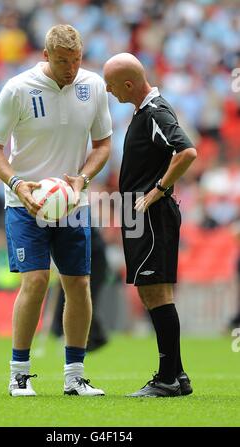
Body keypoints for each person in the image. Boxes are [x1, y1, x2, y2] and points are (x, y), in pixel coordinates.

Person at [0, 24, 112, 397]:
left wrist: (82, 179)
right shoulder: (17, 89)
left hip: (71, 203)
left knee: (79, 284)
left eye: (75, 60)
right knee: (36, 281)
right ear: (45, 56)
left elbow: (102, 144)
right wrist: (17, 185)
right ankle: (19, 374)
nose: (70, 68)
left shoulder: (93, 86)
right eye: (61, 61)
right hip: (26, 203)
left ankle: (75, 376)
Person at [103, 53, 197, 397]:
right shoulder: (144, 112)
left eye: (111, 85)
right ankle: (178, 374)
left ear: (128, 84)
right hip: (138, 213)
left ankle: (167, 379)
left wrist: (157, 191)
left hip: (150, 215)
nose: (109, 91)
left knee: (155, 291)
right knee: (151, 291)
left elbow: (187, 152)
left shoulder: (155, 111)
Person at [51, 226, 109, 352]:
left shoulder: (79, 223)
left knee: (82, 299)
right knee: (72, 299)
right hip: (76, 263)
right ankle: (78, 337)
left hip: (93, 262)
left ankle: (92, 338)